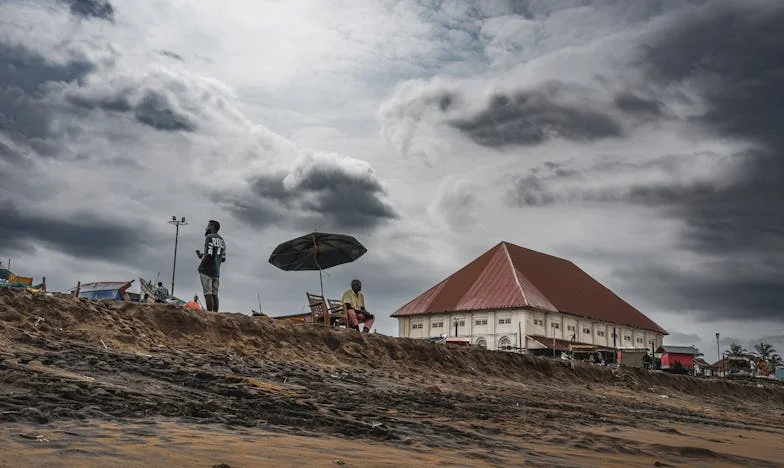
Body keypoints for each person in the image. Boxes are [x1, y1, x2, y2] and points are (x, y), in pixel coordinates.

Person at [196, 219, 226, 312]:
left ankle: (209, 314)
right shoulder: (222, 241)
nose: (206, 228)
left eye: (208, 226)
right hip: (216, 272)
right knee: (214, 294)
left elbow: (209, 254)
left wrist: (200, 266)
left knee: (207, 293)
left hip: (207, 270)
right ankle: (216, 315)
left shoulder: (209, 237)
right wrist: (202, 255)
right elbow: (223, 258)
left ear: (212, 226)